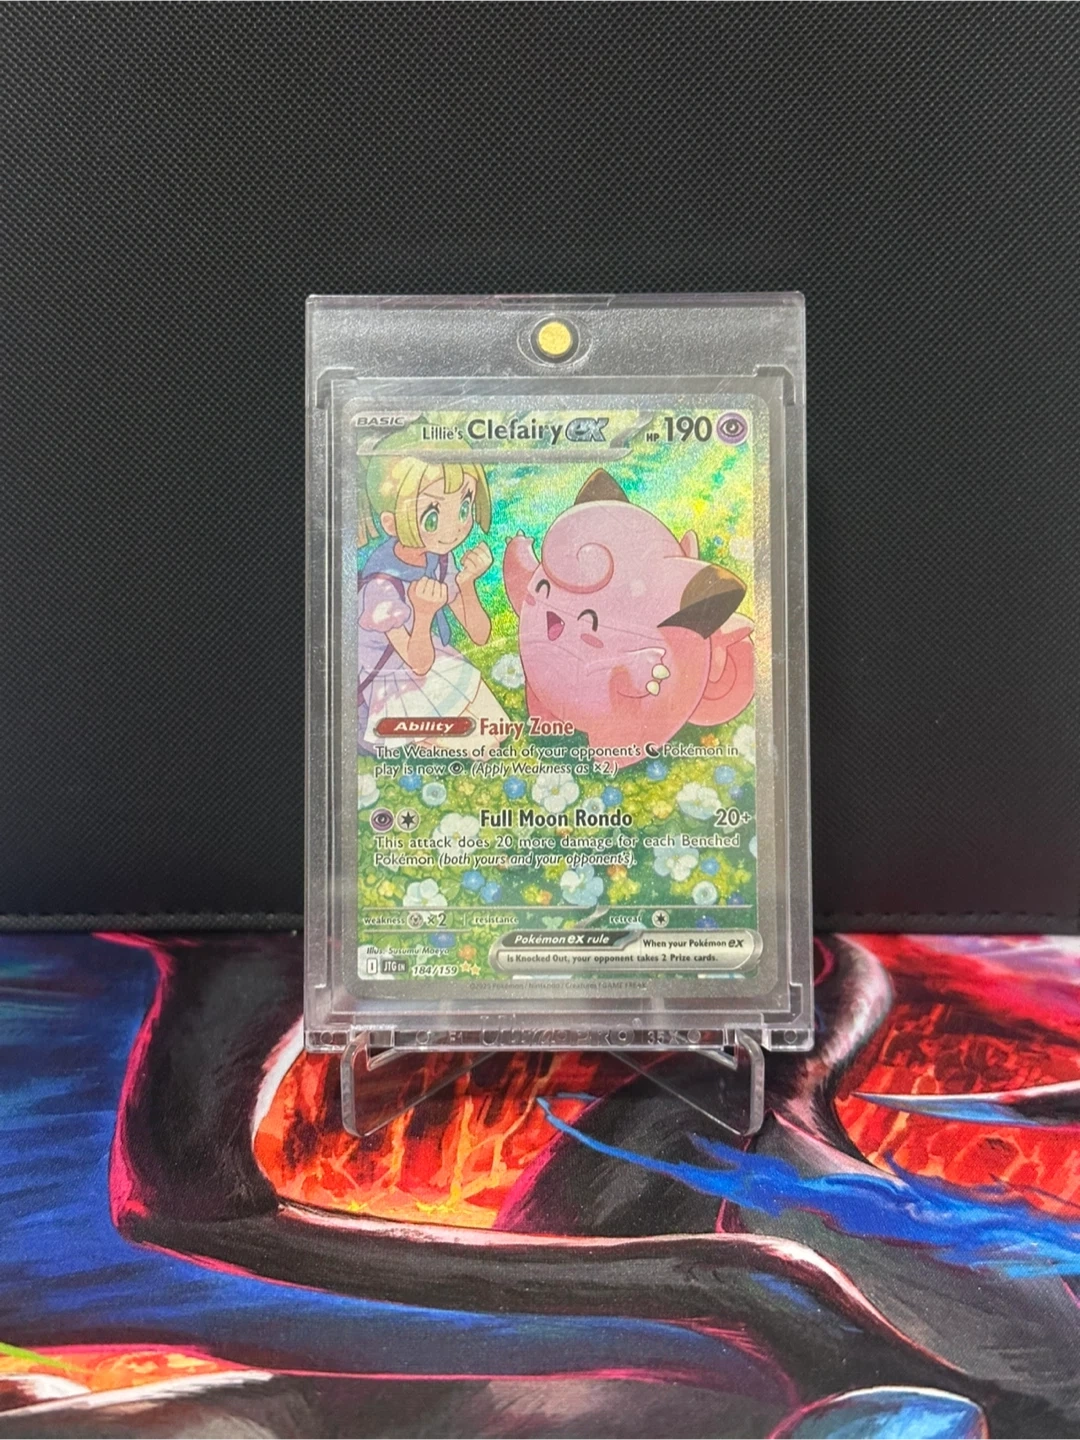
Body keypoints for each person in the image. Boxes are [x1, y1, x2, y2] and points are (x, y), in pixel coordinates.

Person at [357, 455, 510, 752]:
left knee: (499, 729)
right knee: (483, 746)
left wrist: (467, 583)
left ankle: (427, 733)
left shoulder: (439, 558)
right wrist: (424, 614)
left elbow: (480, 635)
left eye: (464, 508)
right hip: (392, 679)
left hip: (433, 659)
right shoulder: (381, 587)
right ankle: (408, 735)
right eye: (432, 517)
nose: (453, 529)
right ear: (391, 523)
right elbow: (418, 664)